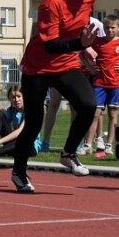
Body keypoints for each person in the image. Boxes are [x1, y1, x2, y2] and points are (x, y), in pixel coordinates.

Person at [11, 0, 102, 193]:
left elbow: (78, 29)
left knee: (88, 105)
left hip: (65, 64)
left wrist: (87, 48)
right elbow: (51, 45)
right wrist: (80, 45)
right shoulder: (51, 2)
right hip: (38, 67)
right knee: (34, 124)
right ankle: (19, 172)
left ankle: (68, 153)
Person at [40, 18, 103, 152]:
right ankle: (45, 140)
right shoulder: (66, 21)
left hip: (75, 74)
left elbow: (95, 47)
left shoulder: (95, 23)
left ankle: (74, 143)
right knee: (54, 104)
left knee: (76, 108)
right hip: (59, 70)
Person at [82, 15, 119, 155]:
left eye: (113, 27)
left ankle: (109, 145)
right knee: (95, 113)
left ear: (118, 28)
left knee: (113, 113)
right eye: (107, 27)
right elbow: (82, 55)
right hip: (99, 83)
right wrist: (90, 68)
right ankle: (87, 145)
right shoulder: (97, 41)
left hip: (116, 83)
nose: (110, 30)